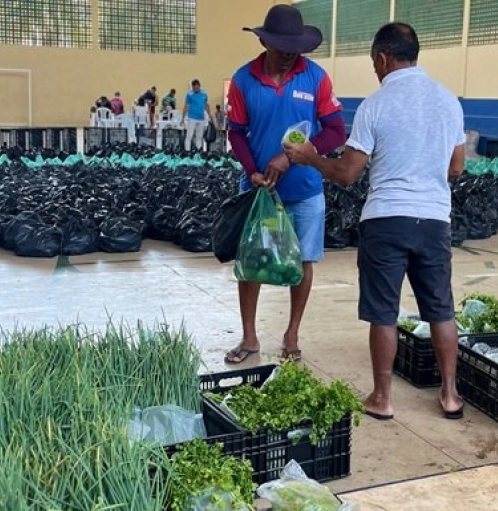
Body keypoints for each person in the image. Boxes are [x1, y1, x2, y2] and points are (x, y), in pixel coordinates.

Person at [284, 22, 466, 420]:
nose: (375, 70)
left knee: (384, 312)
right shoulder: (449, 101)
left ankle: (382, 398)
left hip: (386, 220)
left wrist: (312, 157)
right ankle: (450, 395)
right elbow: (456, 167)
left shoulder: (376, 104)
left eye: (373, 63)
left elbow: (347, 174)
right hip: (434, 219)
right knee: (441, 309)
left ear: (383, 58)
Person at [224, 4, 346, 364]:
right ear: (266, 43)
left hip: (305, 190)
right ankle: (249, 337)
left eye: (295, 52)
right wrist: (252, 171)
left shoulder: (316, 78)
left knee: (303, 261)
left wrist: (291, 157)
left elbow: (335, 131)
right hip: (260, 192)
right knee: (252, 260)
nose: (289, 59)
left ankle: (292, 333)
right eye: (282, 51)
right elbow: (237, 133)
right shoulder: (244, 80)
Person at [183, 80, 213, 151]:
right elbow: (186, 106)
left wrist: (210, 115)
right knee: (189, 136)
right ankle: (187, 152)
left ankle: (199, 152)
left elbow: (206, 105)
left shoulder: (204, 94)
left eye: (197, 88)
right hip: (192, 118)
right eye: (194, 88)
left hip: (201, 118)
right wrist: (183, 117)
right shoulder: (189, 95)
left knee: (199, 137)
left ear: (199, 86)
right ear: (192, 87)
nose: (195, 90)